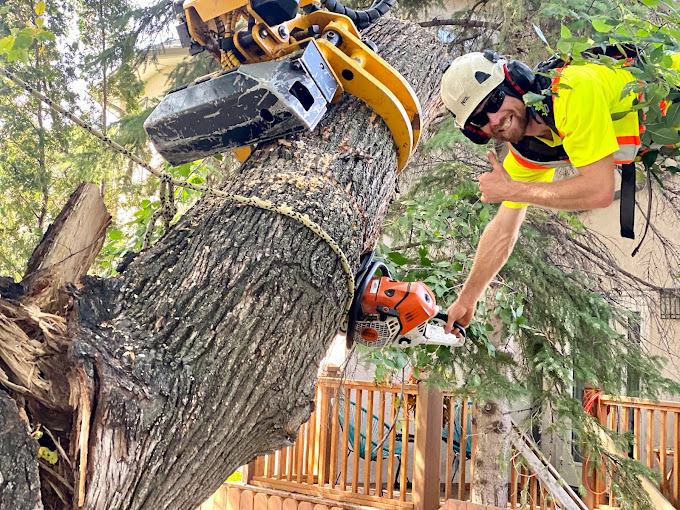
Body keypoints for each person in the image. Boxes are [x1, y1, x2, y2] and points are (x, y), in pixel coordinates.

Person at [438, 49, 646, 335]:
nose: (494, 119)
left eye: (495, 101)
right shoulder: (529, 150)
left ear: (516, 83)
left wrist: (514, 189)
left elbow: (599, 190)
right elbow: (502, 231)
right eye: (479, 120)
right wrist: (467, 298)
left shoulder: (571, 90)